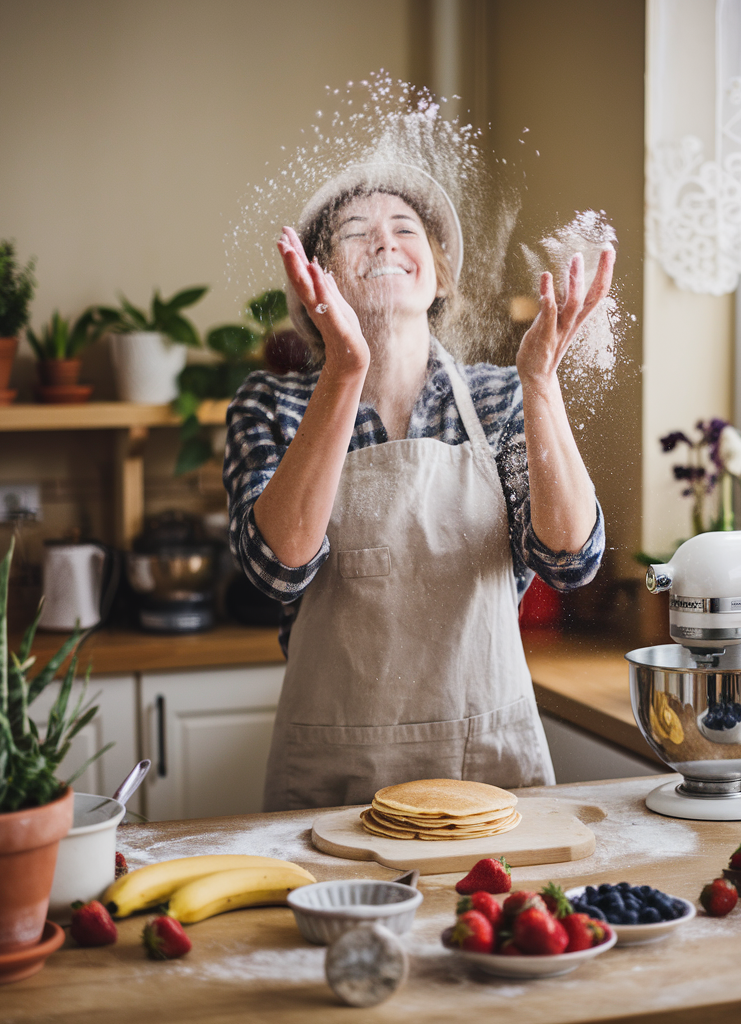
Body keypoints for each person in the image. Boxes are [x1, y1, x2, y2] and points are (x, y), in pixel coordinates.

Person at [224, 163, 613, 810]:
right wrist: (346, 370)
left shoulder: (499, 398)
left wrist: (541, 382)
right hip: (331, 777)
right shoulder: (271, 405)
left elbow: (572, 559)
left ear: (438, 274)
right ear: (315, 279)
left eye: (405, 228)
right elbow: (278, 568)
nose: (384, 241)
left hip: (490, 770)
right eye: (355, 231)